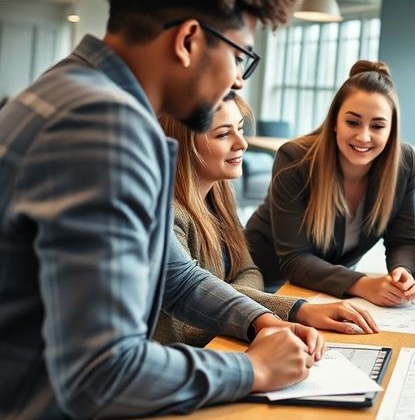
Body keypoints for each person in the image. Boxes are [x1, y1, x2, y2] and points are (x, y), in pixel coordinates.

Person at [0, 0, 323, 418]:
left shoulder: (70, 90)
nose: (239, 82)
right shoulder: (104, 129)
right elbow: (102, 372)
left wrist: (261, 323)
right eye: (240, 56)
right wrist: (255, 369)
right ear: (188, 39)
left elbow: (173, 275)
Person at [156, 96, 379, 347]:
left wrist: (229, 298)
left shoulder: (221, 194)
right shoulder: (169, 215)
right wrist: (294, 310)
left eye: (240, 129)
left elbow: (247, 271)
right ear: (184, 144)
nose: (242, 143)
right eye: (222, 135)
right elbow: (193, 315)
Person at [246, 60, 415, 306]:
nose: (364, 136)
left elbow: (402, 240)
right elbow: (294, 259)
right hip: (266, 283)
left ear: (391, 130)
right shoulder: (295, 159)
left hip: (329, 290)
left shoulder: (404, 163)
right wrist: (362, 284)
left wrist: (403, 272)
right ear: (335, 122)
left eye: (378, 125)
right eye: (353, 122)